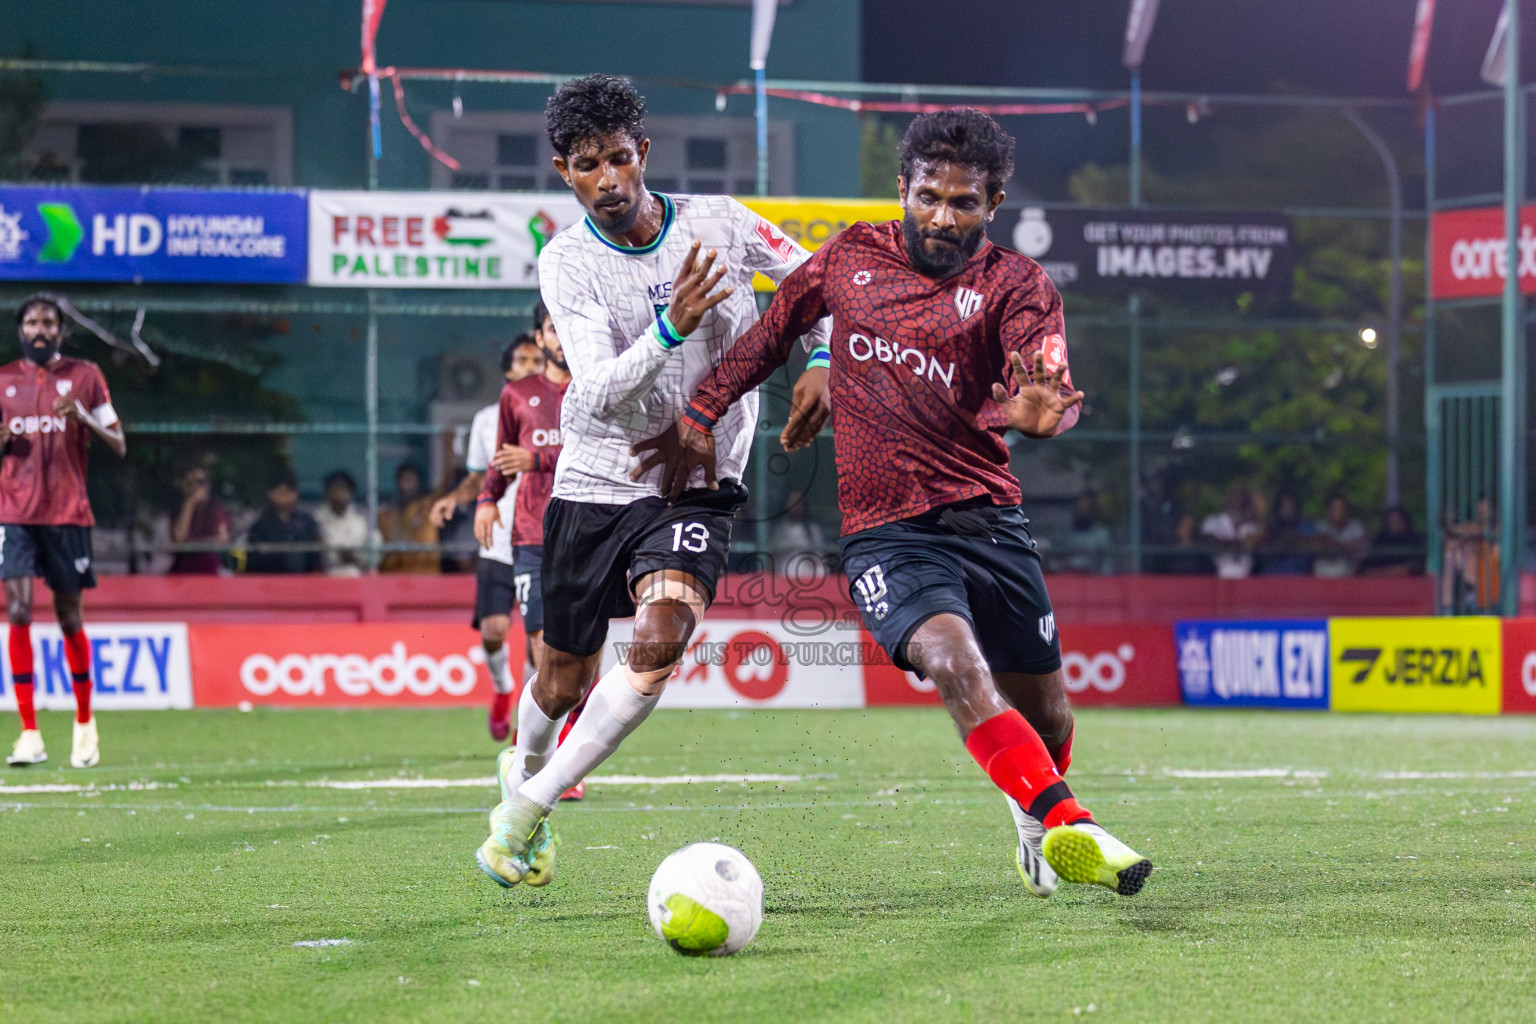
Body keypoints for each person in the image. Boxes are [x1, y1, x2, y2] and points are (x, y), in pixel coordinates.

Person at [672, 109, 1150, 899]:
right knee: (954, 663)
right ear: (903, 187)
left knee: (1051, 717)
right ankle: (1072, 826)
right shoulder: (850, 256)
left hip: (989, 519)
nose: (942, 216)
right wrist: (702, 410)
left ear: (993, 204)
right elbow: (768, 336)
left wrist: (1046, 415)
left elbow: (1047, 389)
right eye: (928, 196)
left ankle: (1034, 816)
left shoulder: (1018, 287)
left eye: (965, 203)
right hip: (886, 533)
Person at [473, 74, 831, 888]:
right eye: (587, 165)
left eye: (619, 159)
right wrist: (674, 325)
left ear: (644, 153)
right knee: (562, 678)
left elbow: (821, 287)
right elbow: (593, 390)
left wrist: (819, 357)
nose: (608, 180)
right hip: (598, 479)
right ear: (564, 171)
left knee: (661, 639)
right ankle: (522, 765)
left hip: (699, 482)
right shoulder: (565, 261)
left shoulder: (720, 223)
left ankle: (529, 810)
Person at [2, 294, 126, 768]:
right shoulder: (3, 381)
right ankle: (29, 732)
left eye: (48, 322)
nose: (40, 329)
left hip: (67, 514)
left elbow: (119, 444)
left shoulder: (85, 376)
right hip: (13, 513)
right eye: (32, 321)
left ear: (59, 330)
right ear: (21, 330)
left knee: (69, 617)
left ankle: (83, 723)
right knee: (16, 610)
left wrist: (86, 419)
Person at [429, 331, 552, 740]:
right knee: (494, 630)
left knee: (540, 644)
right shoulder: (487, 419)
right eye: (522, 360)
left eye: (537, 360)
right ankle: (501, 690)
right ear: (506, 369)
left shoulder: (556, 411)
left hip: (540, 538)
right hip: (500, 541)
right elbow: (479, 476)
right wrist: (455, 498)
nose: (531, 367)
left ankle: (527, 721)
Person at [244, 469, 322, 574]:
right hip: (270, 582)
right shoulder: (260, 526)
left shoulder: (308, 523)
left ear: (296, 493)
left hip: (303, 583)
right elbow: (253, 564)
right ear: (270, 494)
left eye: (288, 493)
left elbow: (316, 560)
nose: (284, 498)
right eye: (280, 493)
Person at [168, 461, 229, 575]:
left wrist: (193, 544)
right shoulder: (178, 509)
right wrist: (189, 504)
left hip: (209, 569)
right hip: (182, 571)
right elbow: (179, 538)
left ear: (208, 484)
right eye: (190, 483)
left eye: (200, 482)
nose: (196, 487)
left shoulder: (215, 506)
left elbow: (223, 538)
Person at [377, 463, 439, 574]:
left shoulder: (428, 508)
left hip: (424, 574)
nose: (405, 486)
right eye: (402, 481)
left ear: (418, 483)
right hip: (395, 576)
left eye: (409, 480)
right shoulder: (389, 514)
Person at [315, 470, 370, 577]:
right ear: (327, 492)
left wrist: (355, 558)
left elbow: (372, 555)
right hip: (327, 579)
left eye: (343, 489)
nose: (339, 493)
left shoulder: (361, 520)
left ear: (351, 492)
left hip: (356, 579)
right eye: (335, 489)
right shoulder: (317, 519)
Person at [1200, 486, 1262, 580]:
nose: (1238, 504)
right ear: (1228, 502)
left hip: (1247, 576)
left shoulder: (1253, 526)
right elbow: (1206, 540)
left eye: (1242, 501)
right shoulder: (1213, 521)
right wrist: (1237, 543)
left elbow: (1259, 542)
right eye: (1234, 500)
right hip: (1213, 576)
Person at [1256, 490, 1313, 576]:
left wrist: (1295, 541)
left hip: (1299, 577)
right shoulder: (1268, 526)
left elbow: (1313, 546)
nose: (1287, 510)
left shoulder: (1305, 526)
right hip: (1271, 576)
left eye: (1290, 506)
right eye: (1284, 507)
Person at [1312, 493, 1367, 578]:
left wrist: (1336, 545)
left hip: (1349, 579)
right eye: (1334, 508)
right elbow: (1322, 542)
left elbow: (1362, 545)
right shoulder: (1321, 525)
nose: (1338, 512)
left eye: (1341, 508)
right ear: (1328, 510)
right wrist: (1347, 546)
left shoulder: (1355, 526)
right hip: (1322, 579)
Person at [1359, 505, 1425, 576]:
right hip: (1379, 584)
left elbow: (1414, 566)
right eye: (1391, 520)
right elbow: (1366, 571)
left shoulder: (1415, 540)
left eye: (1398, 520)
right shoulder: (1379, 541)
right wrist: (1384, 572)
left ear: (1405, 520)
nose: (1395, 523)